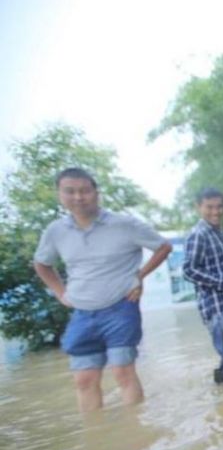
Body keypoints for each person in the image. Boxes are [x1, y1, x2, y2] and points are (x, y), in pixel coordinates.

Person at [33, 167, 172, 412]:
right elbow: (42, 264)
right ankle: (94, 437)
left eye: (85, 191)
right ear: (60, 195)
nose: (78, 197)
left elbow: (163, 247)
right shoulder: (55, 231)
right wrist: (60, 293)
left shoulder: (124, 224)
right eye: (70, 191)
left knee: (122, 372)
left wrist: (139, 276)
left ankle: (136, 435)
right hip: (82, 313)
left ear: (96, 193)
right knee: (84, 380)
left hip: (120, 307)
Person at [183, 188, 223, 384]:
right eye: (209, 207)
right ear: (198, 207)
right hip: (216, 308)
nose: (216, 211)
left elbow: (219, 268)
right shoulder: (199, 234)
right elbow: (189, 271)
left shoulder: (220, 234)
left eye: (219, 206)